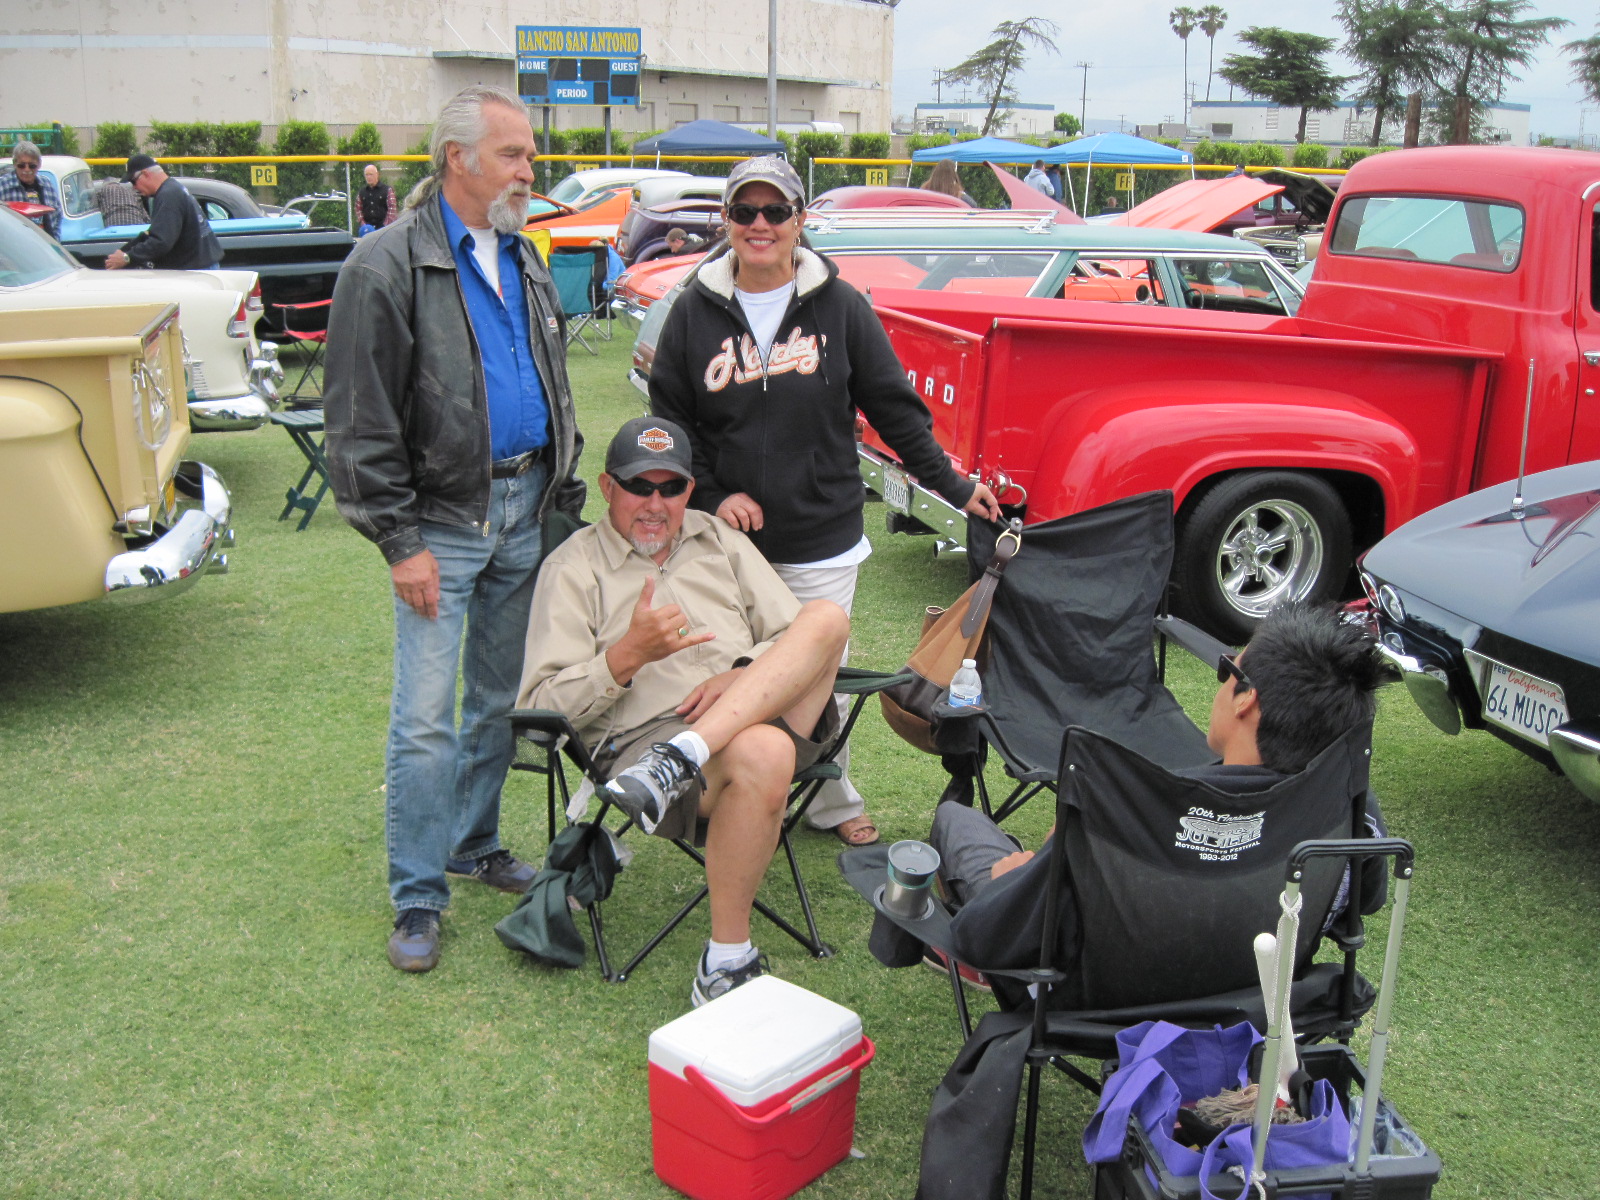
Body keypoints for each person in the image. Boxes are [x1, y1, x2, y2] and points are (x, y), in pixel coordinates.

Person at [648, 155, 1001, 848]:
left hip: (822, 533)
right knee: (726, 669)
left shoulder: (841, 307)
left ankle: (828, 797)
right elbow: (672, 423)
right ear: (726, 220)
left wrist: (955, 487)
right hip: (728, 543)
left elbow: (895, 412)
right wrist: (715, 496)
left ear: (799, 221)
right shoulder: (692, 311)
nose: (759, 225)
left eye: (774, 212)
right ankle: (734, 789)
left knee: (823, 676)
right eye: (744, 212)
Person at [323, 84, 586, 974]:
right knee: (426, 720)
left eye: (528, 154)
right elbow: (359, 425)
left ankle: (473, 847)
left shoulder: (523, 252)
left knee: (495, 705)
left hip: (524, 512)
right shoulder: (384, 263)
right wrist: (400, 543)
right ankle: (418, 895)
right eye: (512, 154)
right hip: (441, 524)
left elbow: (542, 375)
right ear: (457, 160)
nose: (529, 168)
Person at [519, 416, 851, 1006]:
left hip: (758, 710)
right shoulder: (572, 568)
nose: (655, 503)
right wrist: (624, 657)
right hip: (646, 741)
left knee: (826, 617)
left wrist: (743, 674)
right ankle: (727, 959)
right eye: (638, 486)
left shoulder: (719, 539)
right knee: (765, 749)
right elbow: (539, 707)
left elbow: (789, 629)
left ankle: (688, 754)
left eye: (669, 487)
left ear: (688, 491)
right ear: (606, 487)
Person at [928, 600, 1390, 972]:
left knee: (957, 821)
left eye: (1227, 669)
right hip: (1254, 998)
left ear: (1247, 699)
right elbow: (1361, 903)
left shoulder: (1135, 809)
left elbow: (980, 936)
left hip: (1097, 1001)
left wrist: (1014, 879)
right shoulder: (1353, 812)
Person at [105, 154, 221, 270]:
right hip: (202, 266)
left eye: (133, 181)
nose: (134, 187)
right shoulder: (173, 188)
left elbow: (161, 242)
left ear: (145, 174)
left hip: (197, 271)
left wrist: (127, 258)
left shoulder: (168, 195)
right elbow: (155, 233)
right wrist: (125, 250)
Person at [0, 140, 62, 239]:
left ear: (39, 164)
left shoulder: (47, 185)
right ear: (14, 164)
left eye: (32, 166)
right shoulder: (3, 186)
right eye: (22, 165)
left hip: (45, 247)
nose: (27, 169)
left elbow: (57, 216)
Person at [356, 163, 397, 235]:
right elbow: (358, 209)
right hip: (367, 231)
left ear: (377, 174)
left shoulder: (387, 190)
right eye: (366, 175)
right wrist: (364, 225)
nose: (368, 177)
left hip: (384, 230)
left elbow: (392, 209)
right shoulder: (362, 192)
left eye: (371, 174)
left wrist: (385, 226)